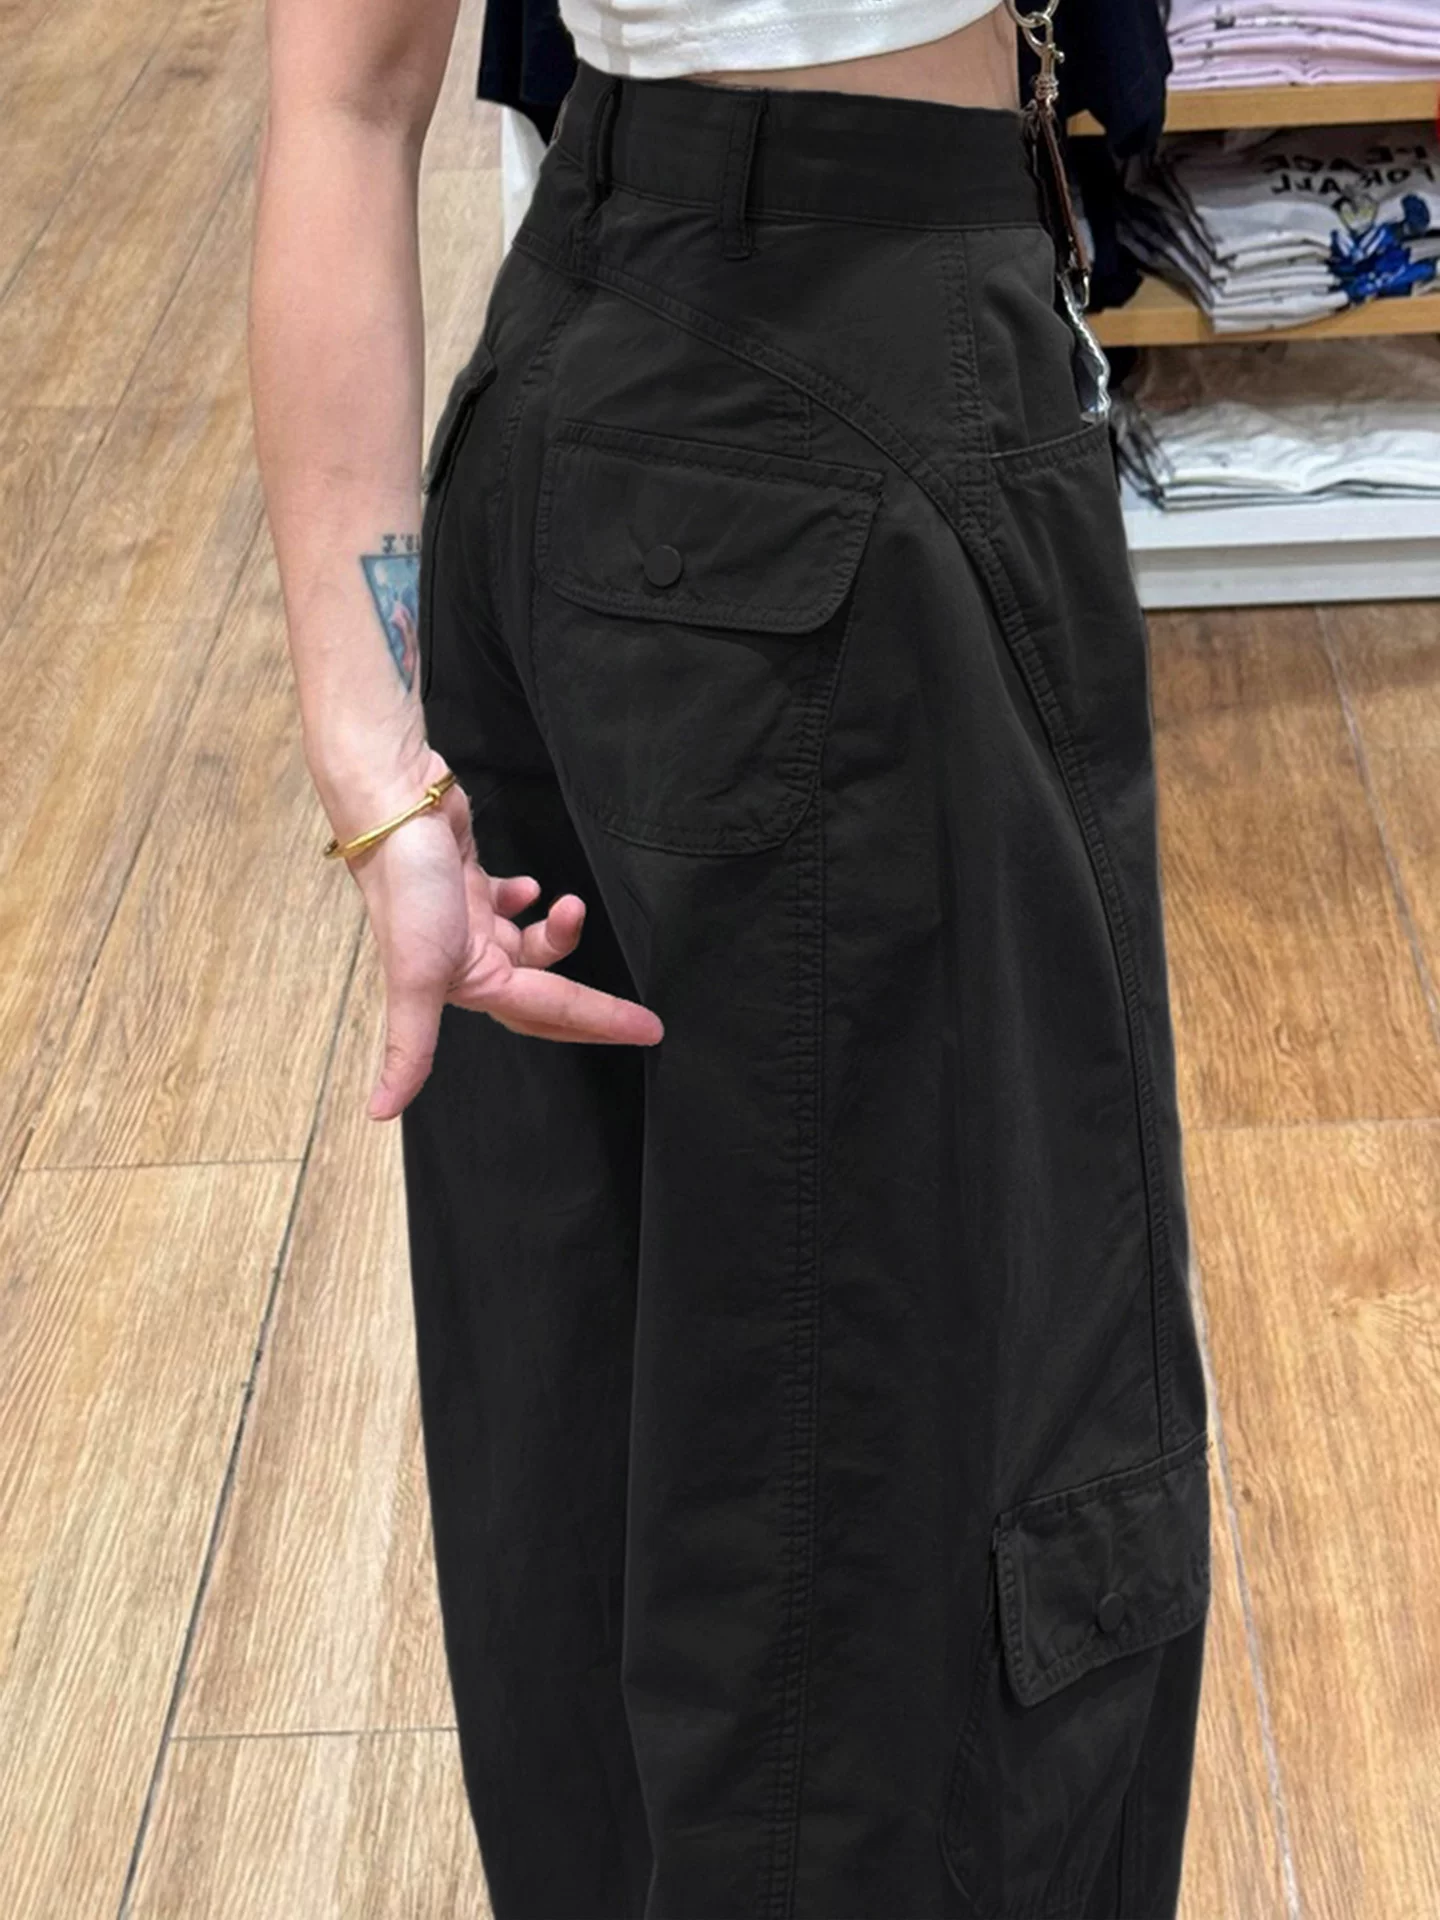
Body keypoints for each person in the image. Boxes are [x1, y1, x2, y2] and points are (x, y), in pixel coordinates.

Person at [249, 0, 1214, 1914]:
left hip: (574, 387)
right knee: (920, 1504)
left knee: (602, 1445)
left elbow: (346, 95)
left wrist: (378, 761)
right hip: (854, 396)